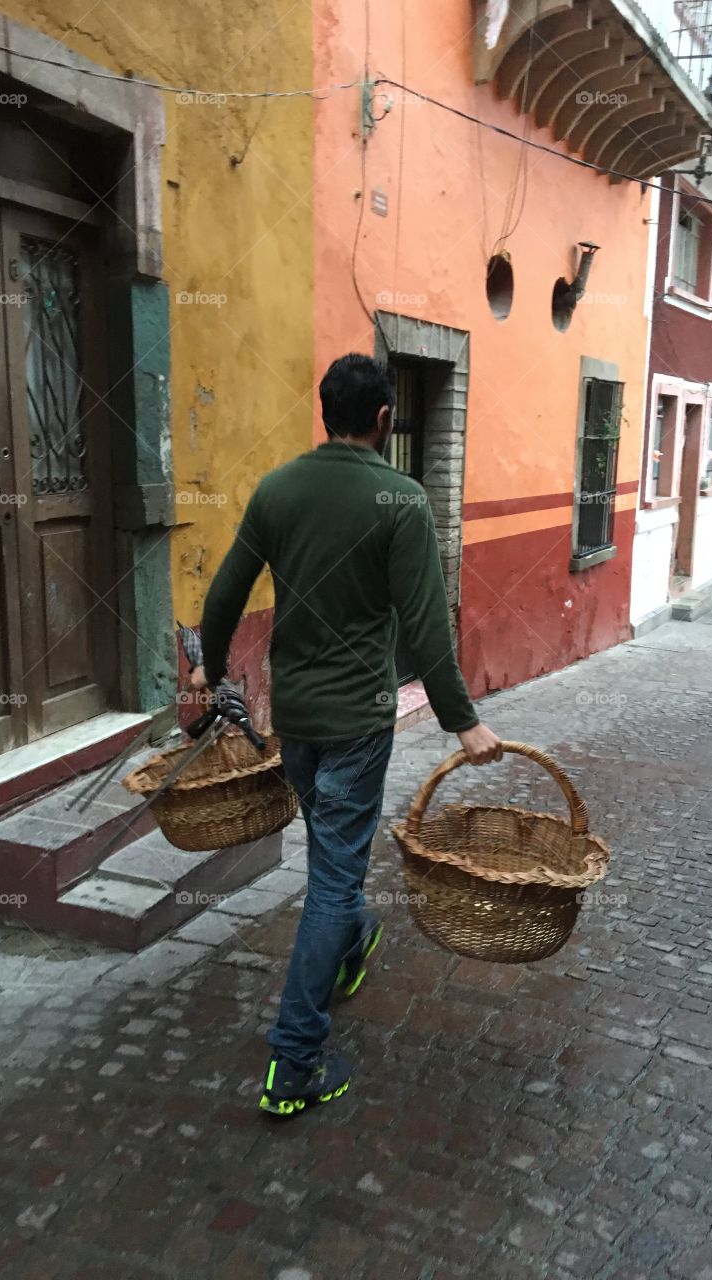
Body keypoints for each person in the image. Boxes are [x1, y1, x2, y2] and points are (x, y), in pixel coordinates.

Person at [193, 353, 501, 1116]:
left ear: (325, 413)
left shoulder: (279, 488)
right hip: (360, 719)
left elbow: (228, 586)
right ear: (386, 420)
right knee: (331, 878)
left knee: (333, 858)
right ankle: (294, 1060)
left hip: (295, 714)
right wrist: (463, 720)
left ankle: (356, 936)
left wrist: (207, 667)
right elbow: (428, 626)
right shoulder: (401, 500)